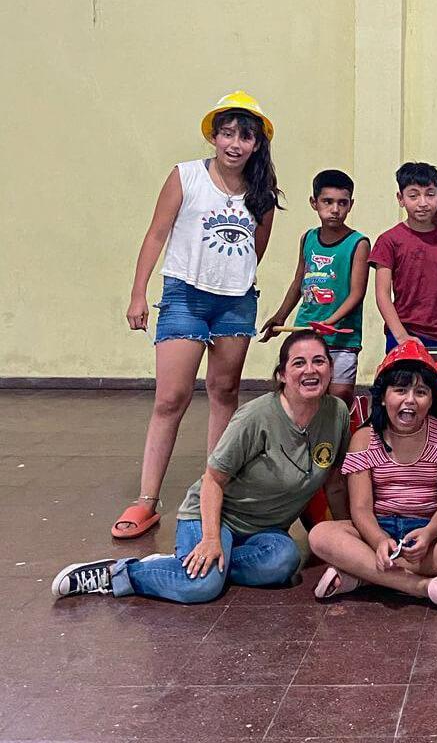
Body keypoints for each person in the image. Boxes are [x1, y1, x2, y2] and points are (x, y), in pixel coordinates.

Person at [54, 332, 351, 603]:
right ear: (283, 375)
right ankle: (118, 574)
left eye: (319, 361)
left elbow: (334, 482)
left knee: (283, 562)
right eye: (299, 363)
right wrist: (210, 540)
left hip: (265, 531)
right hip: (213, 516)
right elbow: (212, 480)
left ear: (330, 369)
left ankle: (184, 566)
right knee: (202, 586)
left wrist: (346, 535)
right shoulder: (257, 417)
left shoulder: (336, 414)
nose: (310, 370)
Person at [114, 90, 283, 540]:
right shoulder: (185, 176)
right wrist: (138, 293)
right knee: (171, 398)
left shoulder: (262, 192)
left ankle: (216, 487)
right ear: (214, 136)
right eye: (227, 133)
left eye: (244, 136)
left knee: (225, 391)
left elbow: (257, 245)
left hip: (235, 301)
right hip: (184, 296)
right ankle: (147, 499)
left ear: (256, 144)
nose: (234, 144)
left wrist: (235, 278)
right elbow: (156, 234)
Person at [307, 340, 437, 612]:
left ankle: (363, 575)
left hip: (427, 531)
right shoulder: (364, 439)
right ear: (383, 396)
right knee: (320, 535)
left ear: (432, 399)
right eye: (400, 390)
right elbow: (361, 508)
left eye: (421, 392)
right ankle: (423, 587)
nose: (410, 400)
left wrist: (428, 533)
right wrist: (377, 541)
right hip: (378, 529)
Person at [259, 170, 369, 405]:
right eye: (327, 202)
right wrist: (280, 316)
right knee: (300, 393)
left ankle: (340, 441)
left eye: (342, 203)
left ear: (351, 205)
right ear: (314, 202)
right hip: (306, 331)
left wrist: (330, 323)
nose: (335, 209)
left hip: (341, 339)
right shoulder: (308, 238)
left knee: (339, 398)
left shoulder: (358, 243)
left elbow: (357, 293)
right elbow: (299, 281)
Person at [371, 162, 437, 350]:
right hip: (404, 332)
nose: (423, 203)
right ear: (401, 198)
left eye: (430, 194)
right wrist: (402, 336)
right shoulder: (388, 240)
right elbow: (382, 294)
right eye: (413, 196)